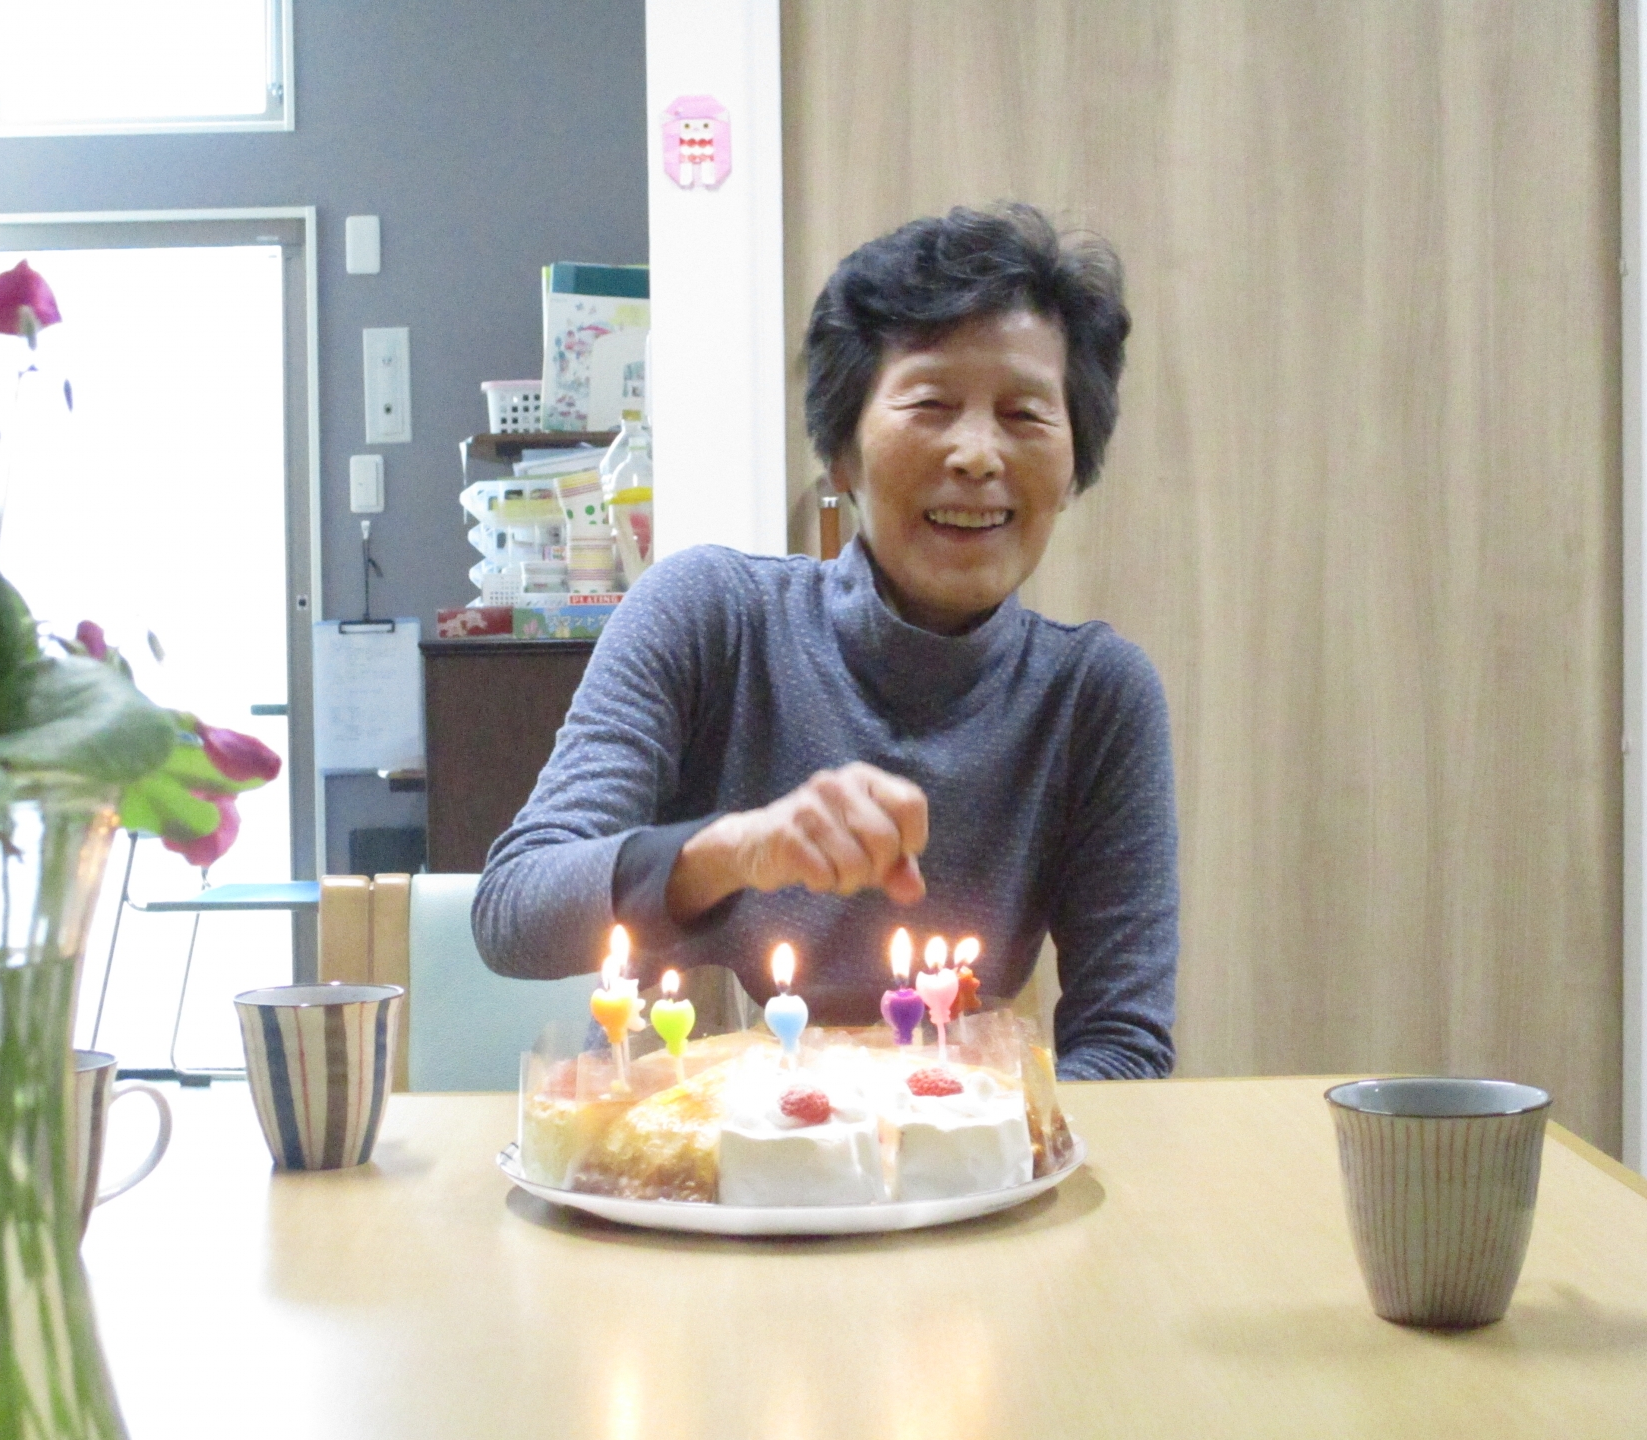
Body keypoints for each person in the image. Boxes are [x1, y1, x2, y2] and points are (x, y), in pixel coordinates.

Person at [473, 204, 1175, 1080]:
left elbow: (1124, 1047)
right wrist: (734, 850)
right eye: (930, 403)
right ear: (841, 455)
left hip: (944, 1187)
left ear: (1074, 465)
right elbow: (511, 912)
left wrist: (994, 1156)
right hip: (678, 1171)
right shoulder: (707, 615)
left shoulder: (1095, 697)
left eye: (1026, 414)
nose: (977, 453)